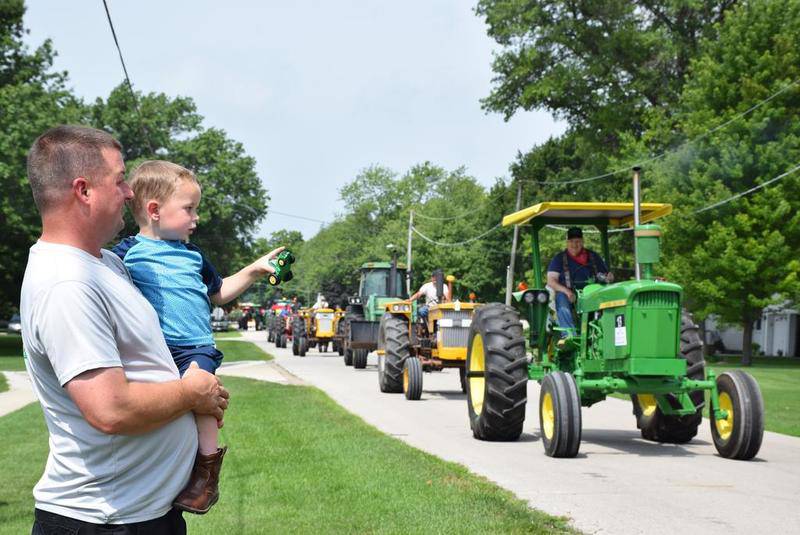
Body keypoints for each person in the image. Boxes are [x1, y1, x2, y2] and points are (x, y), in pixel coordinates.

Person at [21, 125, 229, 534]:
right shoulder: (67, 284)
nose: (131, 193)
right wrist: (193, 392)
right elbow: (110, 410)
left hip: (145, 513)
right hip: (103, 521)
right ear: (84, 191)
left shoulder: (107, 265)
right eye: (119, 180)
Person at [112, 160, 285, 514]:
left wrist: (254, 269)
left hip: (195, 347)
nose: (196, 218)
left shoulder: (193, 256)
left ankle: (206, 474)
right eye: (189, 209)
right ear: (155, 210)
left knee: (204, 400)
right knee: (153, 409)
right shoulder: (124, 254)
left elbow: (219, 293)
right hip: (152, 351)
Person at [546, 227, 614, 337]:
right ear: (567, 243)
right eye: (571, 241)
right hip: (571, 295)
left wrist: (609, 277)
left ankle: (609, 332)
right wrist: (567, 291)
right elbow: (551, 281)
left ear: (582, 242)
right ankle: (569, 335)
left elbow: (606, 275)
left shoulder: (593, 257)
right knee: (561, 297)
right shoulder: (559, 259)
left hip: (593, 293)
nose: (574, 244)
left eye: (577, 241)